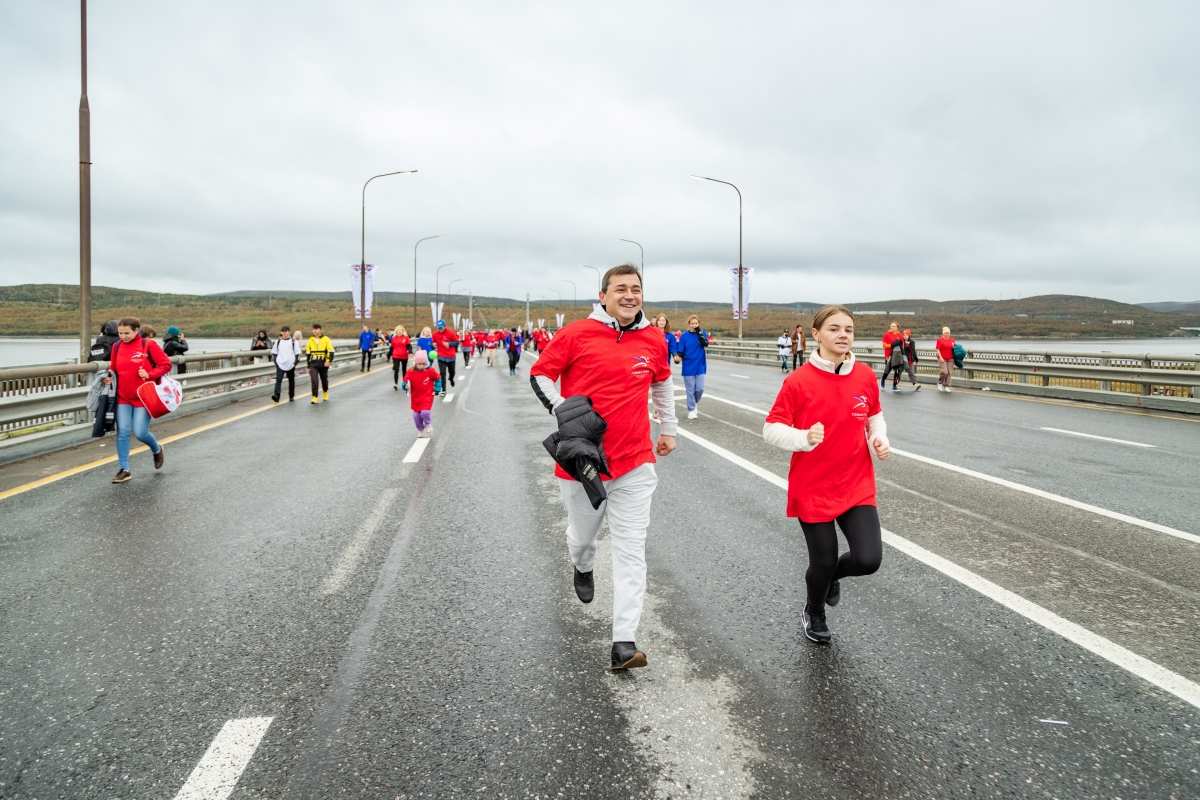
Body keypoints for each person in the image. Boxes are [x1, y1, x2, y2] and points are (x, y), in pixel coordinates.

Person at [529, 263, 677, 670]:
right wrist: (563, 410)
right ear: (604, 295)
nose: (629, 295)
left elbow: (661, 382)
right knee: (581, 537)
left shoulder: (654, 338)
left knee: (632, 551)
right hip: (584, 464)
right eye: (621, 289)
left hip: (635, 462)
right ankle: (583, 563)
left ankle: (624, 642)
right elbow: (541, 374)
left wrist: (669, 428)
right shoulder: (576, 333)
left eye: (636, 289)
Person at [763, 304, 890, 644]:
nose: (843, 335)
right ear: (816, 335)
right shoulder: (798, 381)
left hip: (856, 483)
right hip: (814, 486)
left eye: (848, 329)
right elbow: (771, 429)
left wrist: (879, 438)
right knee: (822, 560)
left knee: (868, 560)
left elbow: (873, 415)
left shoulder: (863, 374)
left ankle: (832, 576)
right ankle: (814, 610)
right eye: (834, 329)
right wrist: (802, 439)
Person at [102, 317, 170, 483]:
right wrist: (109, 377)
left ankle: (156, 448)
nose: (123, 336)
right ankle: (124, 469)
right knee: (123, 432)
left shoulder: (148, 345)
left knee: (140, 432)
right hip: (123, 396)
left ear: (136, 330)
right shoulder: (116, 346)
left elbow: (166, 365)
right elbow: (114, 368)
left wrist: (149, 374)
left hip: (143, 396)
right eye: (120, 333)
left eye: (127, 333)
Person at [674, 315, 710, 420]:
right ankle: (691, 410)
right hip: (688, 365)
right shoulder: (684, 336)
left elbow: (705, 344)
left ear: (698, 324)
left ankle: (693, 402)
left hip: (700, 365)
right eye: (692, 323)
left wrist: (699, 332)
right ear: (689, 324)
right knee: (690, 390)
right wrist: (678, 359)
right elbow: (680, 351)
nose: (694, 325)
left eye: (696, 323)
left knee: (700, 389)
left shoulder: (702, 333)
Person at [406, 349, 438, 437]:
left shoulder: (430, 371)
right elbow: (405, 381)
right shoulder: (411, 371)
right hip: (415, 397)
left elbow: (438, 378)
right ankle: (420, 429)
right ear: (416, 363)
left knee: (424, 412)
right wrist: (405, 385)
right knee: (416, 416)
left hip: (427, 395)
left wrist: (437, 389)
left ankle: (428, 423)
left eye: (423, 364)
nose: (421, 366)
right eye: (419, 364)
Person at [271, 325, 301, 402]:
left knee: (291, 380)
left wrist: (295, 362)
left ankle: (291, 395)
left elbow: (297, 353)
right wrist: (276, 361)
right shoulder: (278, 342)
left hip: (290, 364)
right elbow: (274, 353)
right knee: (278, 380)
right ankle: (277, 395)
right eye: (283, 331)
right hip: (280, 363)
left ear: (289, 332)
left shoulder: (293, 342)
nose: (284, 333)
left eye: (286, 331)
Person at [306, 324, 335, 404]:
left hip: (323, 362)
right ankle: (315, 397)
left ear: (320, 330)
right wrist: (308, 366)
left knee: (324, 379)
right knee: (314, 380)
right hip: (313, 363)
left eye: (316, 329)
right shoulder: (310, 340)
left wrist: (328, 360)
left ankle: (325, 391)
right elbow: (308, 354)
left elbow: (331, 351)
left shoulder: (326, 339)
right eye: (313, 329)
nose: (315, 330)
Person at [432, 320, 460, 394]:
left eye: (441, 328)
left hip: (451, 356)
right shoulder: (435, 334)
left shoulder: (450, 332)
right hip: (441, 356)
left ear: (444, 326)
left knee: (452, 372)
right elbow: (433, 341)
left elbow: (457, 342)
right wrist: (434, 344)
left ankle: (451, 378)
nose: (440, 329)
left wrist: (449, 344)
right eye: (439, 328)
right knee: (442, 373)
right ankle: (443, 389)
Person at [880, 321, 901, 388]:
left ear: (897, 327)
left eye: (893, 326)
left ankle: (894, 386)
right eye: (891, 326)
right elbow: (884, 345)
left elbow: (902, 346)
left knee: (897, 371)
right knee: (887, 370)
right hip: (888, 355)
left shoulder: (900, 335)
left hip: (897, 356)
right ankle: (883, 379)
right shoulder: (886, 334)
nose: (892, 327)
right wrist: (891, 345)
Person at [390, 325, 412, 390]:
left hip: (404, 355)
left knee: (404, 370)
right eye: (398, 330)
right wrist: (388, 355)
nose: (399, 331)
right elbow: (391, 348)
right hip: (395, 355)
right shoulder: (394, 338)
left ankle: (404, 383)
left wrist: (410, 352)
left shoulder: (406, 337)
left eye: (400, 330)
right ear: (396, 331)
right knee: (396, 369)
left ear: (403, 331)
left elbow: (409, 346)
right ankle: (396, 383)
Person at [935, 326, 956, 393]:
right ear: (943, 333)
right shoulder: (940, 340)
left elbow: (954, 348)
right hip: (942, 358)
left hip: (950, 358)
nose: (947, 334)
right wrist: (940, 357)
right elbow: (937, 349)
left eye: (948, 333)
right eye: (946, 333)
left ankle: (947, 386)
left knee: (949, 372)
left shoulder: (952, 340)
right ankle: (940, 382)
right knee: (945, 372)